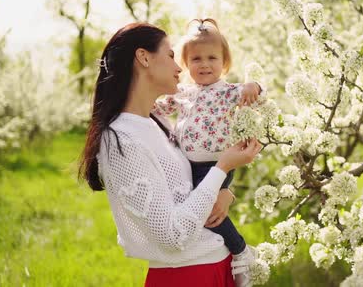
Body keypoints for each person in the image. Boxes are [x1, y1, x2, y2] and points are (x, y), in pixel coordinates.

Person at [78, 22, 262, 287]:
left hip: (217, 265)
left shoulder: (158, 122)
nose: (180, 68)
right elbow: (172, 237)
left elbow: (188, 186)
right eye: (172, 56)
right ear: (143, 58)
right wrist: (221, 168)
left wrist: (224, 192)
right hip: (187, 276)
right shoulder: (122, 139)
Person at [152, 18, 264, 287]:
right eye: (197, 58)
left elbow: (259, 94)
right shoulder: (183, 92)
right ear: (186, 64)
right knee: (199, 211)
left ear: (224, 63)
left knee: (208, 213)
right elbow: (158, 107)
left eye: (212, 58)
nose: (204, 64)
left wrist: (255, 86)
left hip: (218, 163)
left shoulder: (226, 92)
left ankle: (240, 251)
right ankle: (233, 250)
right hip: (190, 166)